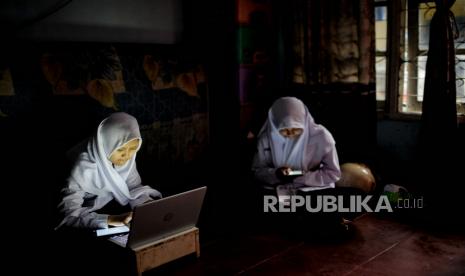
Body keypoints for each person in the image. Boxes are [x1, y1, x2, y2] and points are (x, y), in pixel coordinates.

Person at [56, 112, 161, 230]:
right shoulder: (81, 168)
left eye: (133, 148)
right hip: (85, 221)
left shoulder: (126, 158)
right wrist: (112, 219)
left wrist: (147, 207)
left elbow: (134, 187)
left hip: (110, 209)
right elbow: (69, 215)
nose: (127, 155)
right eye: (120, 149)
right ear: (105, 144)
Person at [252, 96, 341, 192]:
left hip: (314, 189)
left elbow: (333, 173)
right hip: (276, 189)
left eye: (296, 129)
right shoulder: (266, 139)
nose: (290, 135)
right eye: (284, 130)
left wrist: (303, 177)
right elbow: (257, 171)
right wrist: (275, 174)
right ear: (274, 126)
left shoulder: (321, 137)